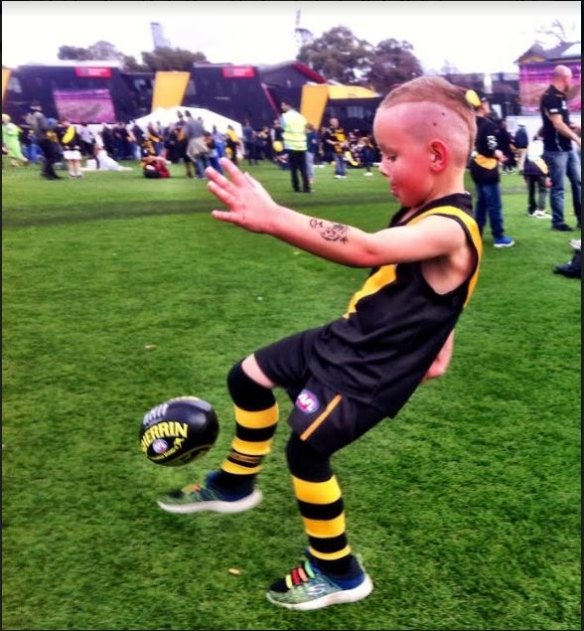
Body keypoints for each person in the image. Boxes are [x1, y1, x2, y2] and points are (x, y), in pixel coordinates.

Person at [156, 76, 483, 611]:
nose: (381, 166)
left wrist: (275, 218)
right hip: (345, 336)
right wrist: (443, 335)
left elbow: (367, 248)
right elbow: (438, 289)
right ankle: (237, 483)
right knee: (248, 376)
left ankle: (339, 571)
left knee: (307, 451)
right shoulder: (426, 213)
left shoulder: (451, 224)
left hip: (366, 368)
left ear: (436, 154)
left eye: (389, 154)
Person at [468, 90, 515, 248]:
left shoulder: (470, 123)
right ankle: (499, 237)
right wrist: (499, 154)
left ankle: (477, 233)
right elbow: (490, 148)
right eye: (486, 102)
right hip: (487, 169)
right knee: (494, 204)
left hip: (475, 167)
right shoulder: (488, 125)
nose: (488, 105)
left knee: (481, 203)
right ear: (481, 105)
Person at [539, 64, 582, 232]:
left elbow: (564, 123)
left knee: (578, 182)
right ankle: (558, 222)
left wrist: (575, 127)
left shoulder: (561, 97)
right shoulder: (550, 97)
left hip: (567, 147)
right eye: (570, 78)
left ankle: (580, 218)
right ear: (564, 78)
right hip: (555, 149)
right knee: (558, 187)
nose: (571, 82)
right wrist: (577, 138)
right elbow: (558, 124)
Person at [281, 99, 311, 193]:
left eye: (283, 105)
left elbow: (282, 128)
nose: (282, 107)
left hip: (291, 145)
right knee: (303, 168)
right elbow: (306, 130)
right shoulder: (301, 117)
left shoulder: (284, 117)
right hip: (301, 145)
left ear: (287, 106)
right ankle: (307, 188)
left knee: (293, 169)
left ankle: (296, 187)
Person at [523, 130, 551, 219]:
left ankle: (532, 210)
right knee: (542, 190)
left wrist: (524, 175)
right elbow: (547, 159)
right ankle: (541, 210)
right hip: (540, 168)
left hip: (528, 169)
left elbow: (525, 159)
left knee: (531, 190)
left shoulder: (530, 145)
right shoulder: (545, 145)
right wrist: (549, 175)